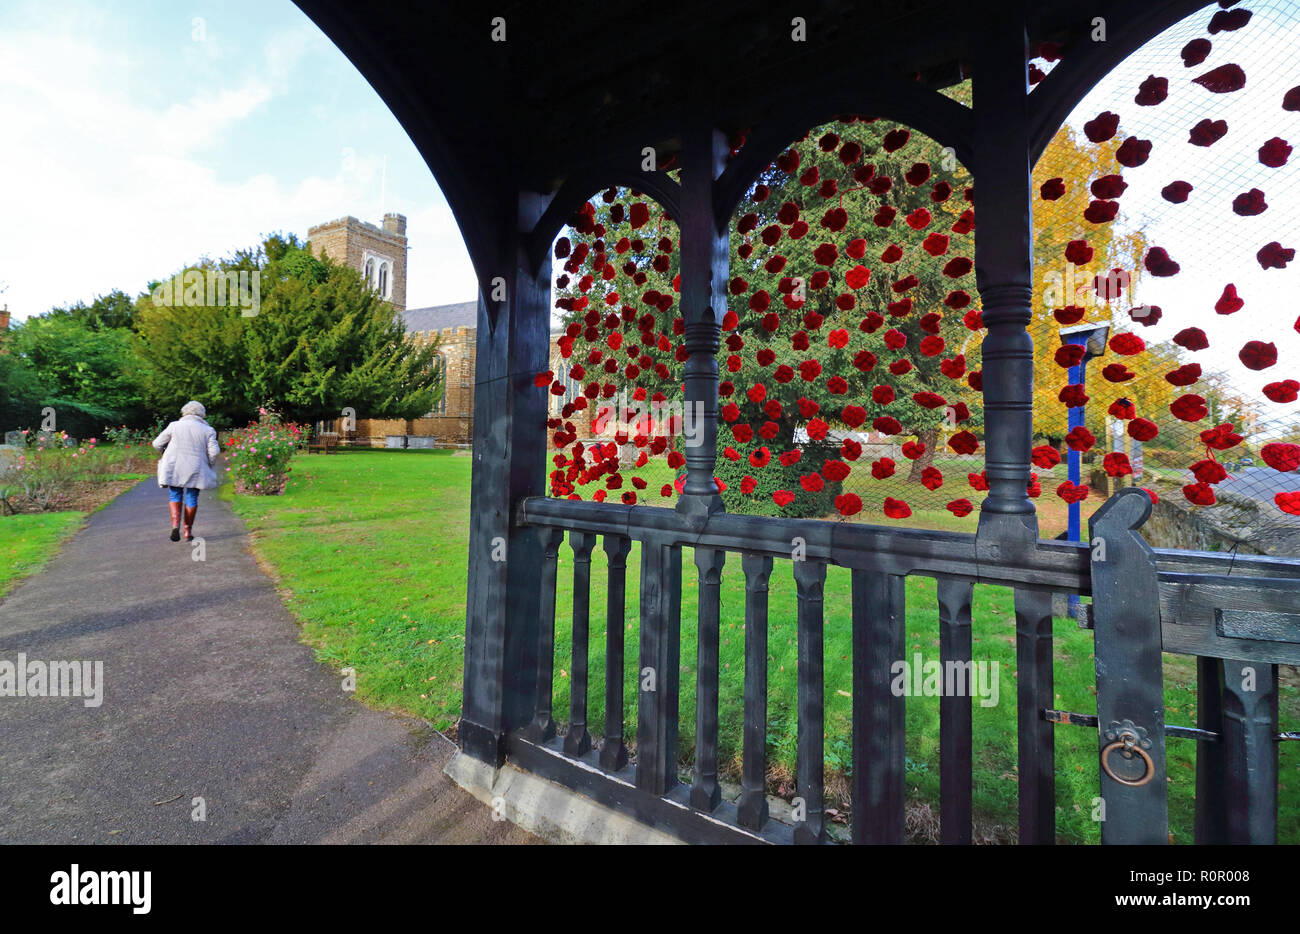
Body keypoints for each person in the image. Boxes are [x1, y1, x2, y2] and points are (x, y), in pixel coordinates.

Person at [152, 401, 220, 542]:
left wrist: (164, 454)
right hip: (196, 468)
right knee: (192, 497)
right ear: (202, 414)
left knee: (175, 494)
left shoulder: (174, 425)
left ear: (184, 412)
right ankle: (187, 530)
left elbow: (157, 443)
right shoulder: (208, 430)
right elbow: (214, 452)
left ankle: (175, 525)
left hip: (174, 466)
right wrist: (209, 464)